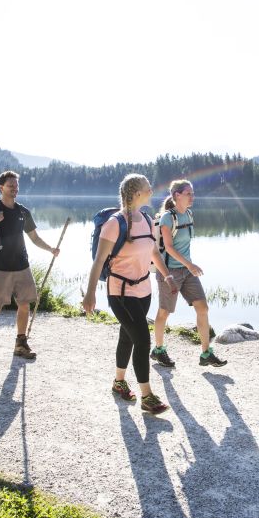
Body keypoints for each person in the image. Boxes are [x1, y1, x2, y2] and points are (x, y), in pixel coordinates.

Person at [82, 173, 176, 414]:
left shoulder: (146, 219)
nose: (152, 191)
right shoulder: (114, 223)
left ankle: (119, 381)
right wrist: (90, 293)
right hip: (120, 291)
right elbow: (98, 261)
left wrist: (166, 275)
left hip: (144, 290)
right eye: (148, 188)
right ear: (136, 194)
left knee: (127, 335)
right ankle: (147, 395)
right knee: (143, 340)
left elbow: (153, 251)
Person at [0, 170, 60, 359]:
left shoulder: (23, 211)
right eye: (10, 185)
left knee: (25, 304)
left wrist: (50, 249)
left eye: (16, 185)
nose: (15, 189)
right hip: (0, 267)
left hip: (22, 265)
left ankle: (20, 344)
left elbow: (34, 238)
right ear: (1, 187)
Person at [150, 180, 227, 368]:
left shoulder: (189, 214)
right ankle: (158, 350)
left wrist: (189, 266)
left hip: (187, 270)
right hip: (169, 272)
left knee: (203, 308)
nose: (192, 197)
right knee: (164, 312)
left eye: (193, 193)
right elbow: (168, 248)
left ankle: (206, 353)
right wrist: (190, 265)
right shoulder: (168, 217)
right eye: (188, 193)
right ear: (177, 195)